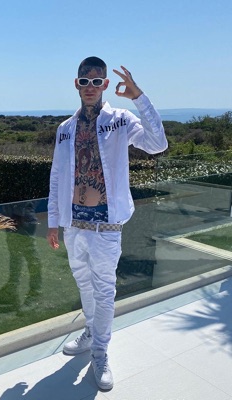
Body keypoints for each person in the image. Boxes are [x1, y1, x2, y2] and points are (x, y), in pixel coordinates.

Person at [46, 56, 168, 391]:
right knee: (84, 285)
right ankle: (90, 332)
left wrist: (138, 97)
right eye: (85, 81)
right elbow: (57, 176)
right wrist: (54, 221)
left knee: (104, 290)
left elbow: (157, 143)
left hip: (106, 226)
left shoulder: (120, 120)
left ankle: (100, 352)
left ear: (104, 85)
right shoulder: (65, 129)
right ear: (77, 84)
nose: (90, 87)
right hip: (74, 225)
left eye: (96, 81)